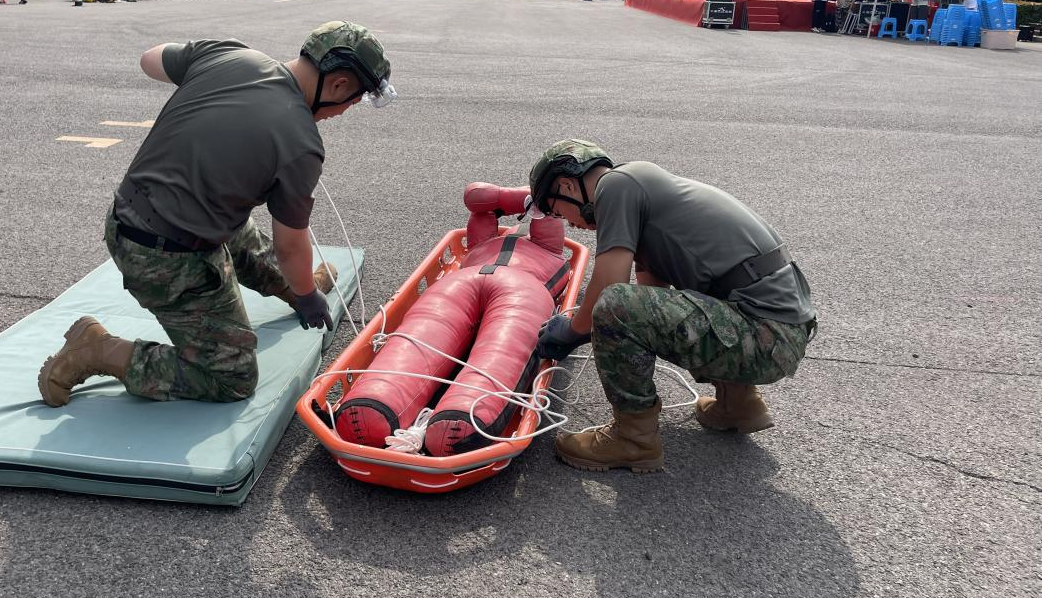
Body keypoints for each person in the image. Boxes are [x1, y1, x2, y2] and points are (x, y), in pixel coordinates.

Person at [37, 22, 397, 409]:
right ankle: (96, 348)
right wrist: (310, 298)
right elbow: (291, 245)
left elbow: (150, 60)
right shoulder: (301, 144)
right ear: (339, 85)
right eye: (351, 102)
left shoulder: (230, 54)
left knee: (242, 232)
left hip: (129, 215)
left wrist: (212, 80)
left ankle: (293, 286)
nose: (342, 112)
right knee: (231, 377)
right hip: (166, 257)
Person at [527, 139, 816, 473]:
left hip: (765, 336)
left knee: (614, 305)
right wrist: (600, 329)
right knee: (643, 307)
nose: (567, 222)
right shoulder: (643, 190)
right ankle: (739, 403)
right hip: (779, 333)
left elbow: (611, 290)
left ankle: (633, 439)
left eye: (555, 210)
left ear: (566, 185)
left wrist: (571, 329)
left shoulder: (614, 186)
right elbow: (653, 303)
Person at [333, 183, 569, 456]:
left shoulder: (481, 245)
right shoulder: (549, 249)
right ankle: (465, 415)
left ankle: (375, 401)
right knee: (501, 351)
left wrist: (507, 199)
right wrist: (529, 200)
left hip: (462, 281)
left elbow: (479, 198)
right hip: (522, 288)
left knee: (423, 334)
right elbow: (538, 204)